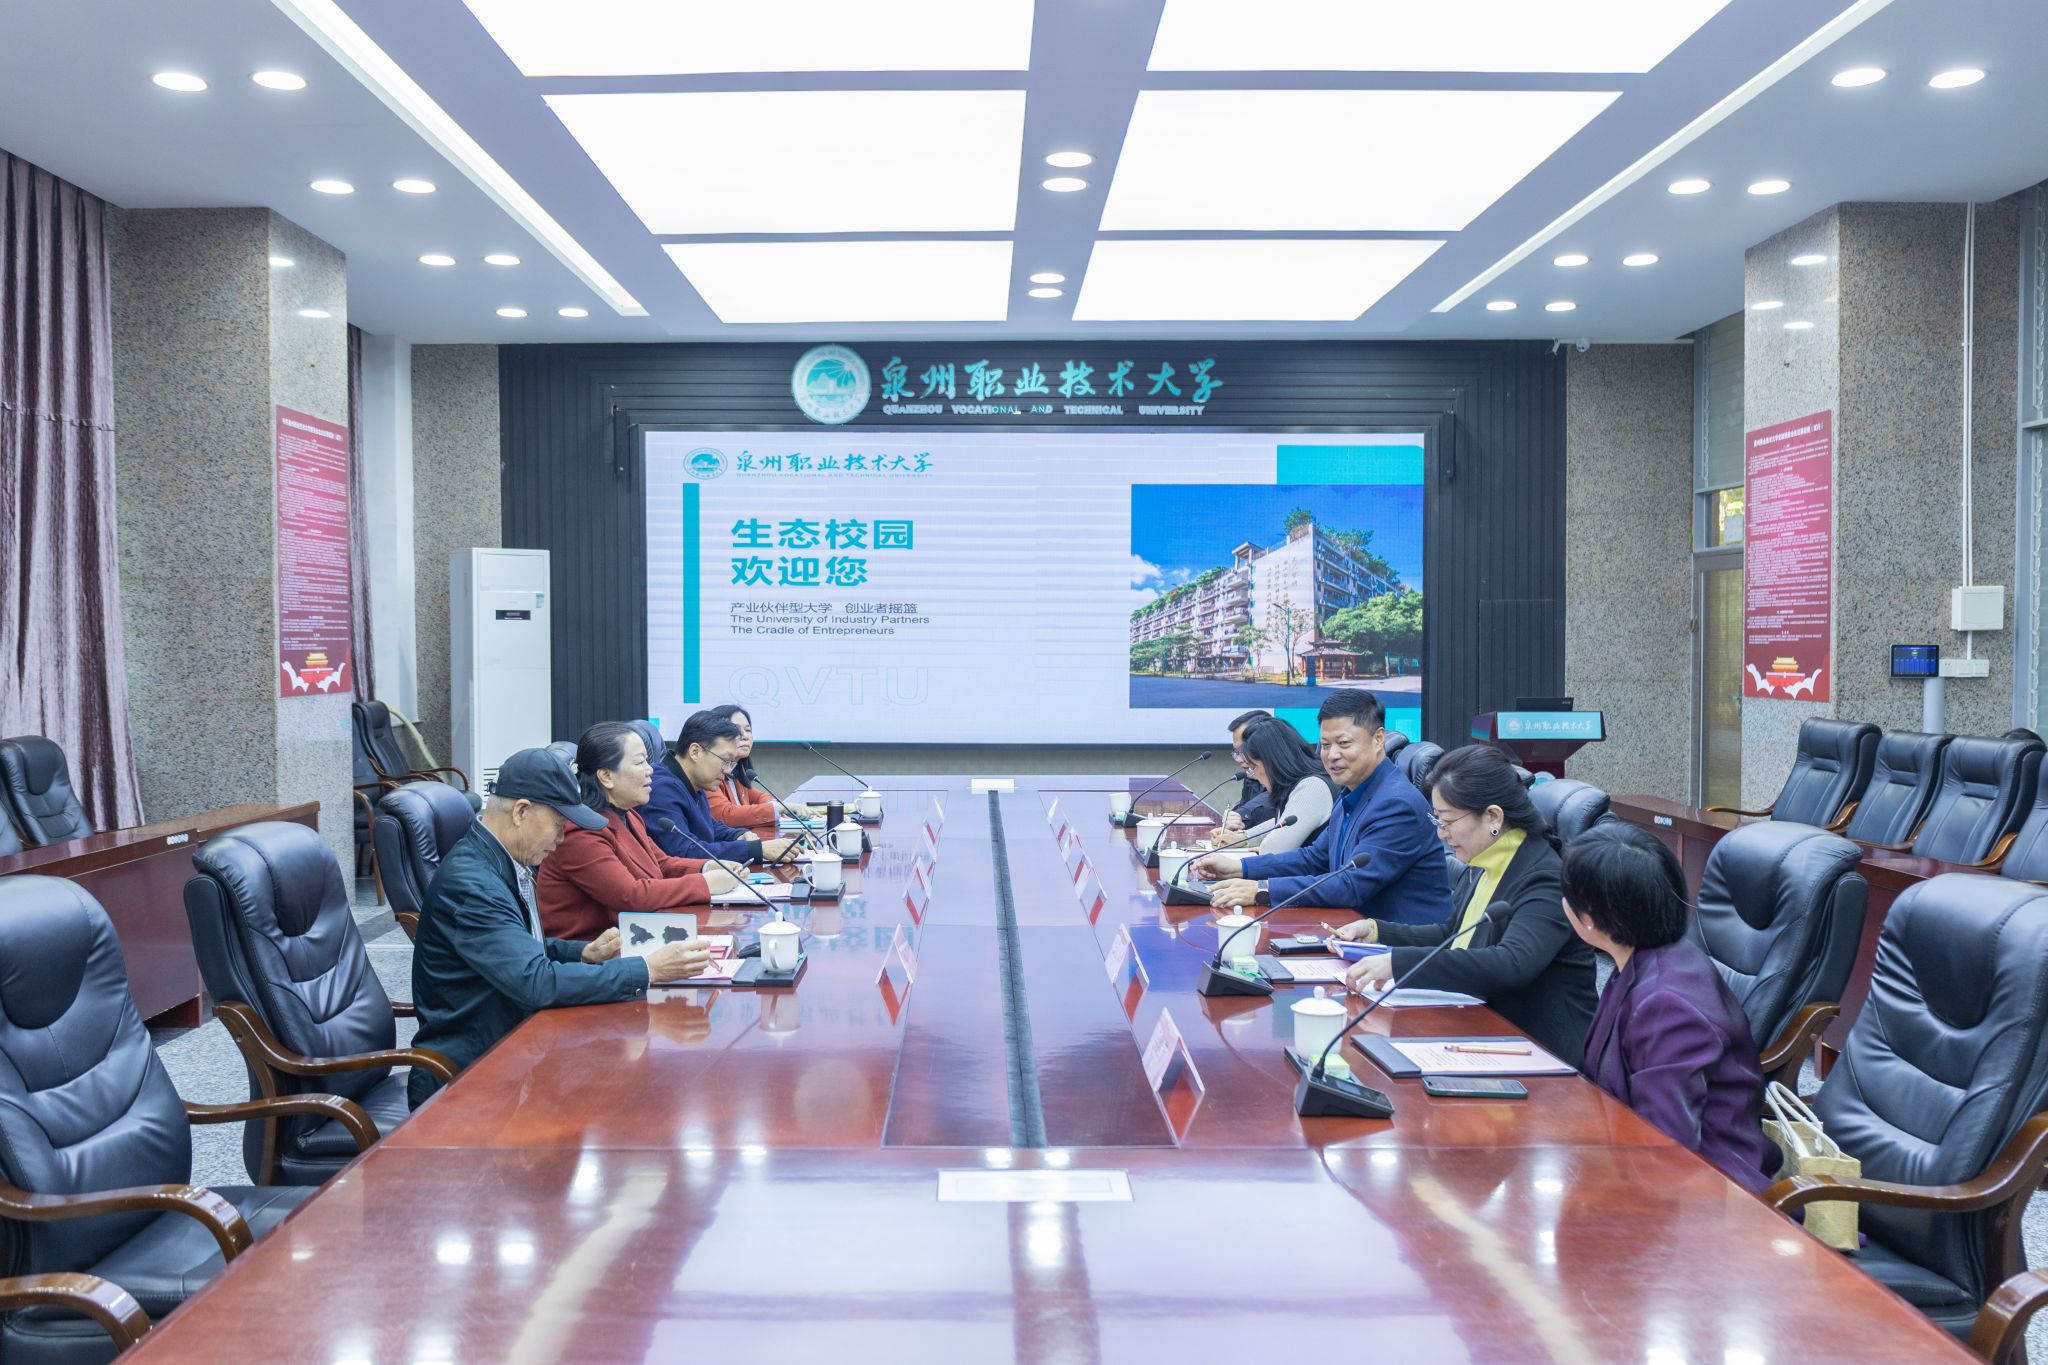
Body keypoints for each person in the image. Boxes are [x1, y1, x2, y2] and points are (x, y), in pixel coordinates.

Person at [407, 747, 714, 1107]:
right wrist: (648, 969)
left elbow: (517, 948)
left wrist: (583, 952)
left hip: (515, 1046)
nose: (562, 838)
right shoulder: (472, 884)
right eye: (558, 824)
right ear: (521, 812)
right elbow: (535, 982)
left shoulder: (500, 861)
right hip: (472, 1077)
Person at [1334, 743, 1596, 1065]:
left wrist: (1398, 964)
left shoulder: (1545, 877)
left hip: (1538, 1054)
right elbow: (1454, 934)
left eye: (1447, 821)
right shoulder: (1486, 860)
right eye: (1437, 821)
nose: (1441, 835)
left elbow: (1512, 963)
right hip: (1481, 1031)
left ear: (1493, 816)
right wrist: (1377, 931)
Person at [1560, 822, 1778, 1193]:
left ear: (1590, 917)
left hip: (1712, 1192)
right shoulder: (1639, 962)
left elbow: (1665, 1152)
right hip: (1630, 1163)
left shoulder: (1667, 1005)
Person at [1193, 691, 1449, 925]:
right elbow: (1315, 858)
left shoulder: (1396, 804)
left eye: (1344, 743)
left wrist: (1262, 890)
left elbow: (1352, 885)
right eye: (1325, 745)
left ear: (1378, 739)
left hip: (1400, 946)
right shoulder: (1353, 792)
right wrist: (1240, 868)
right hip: (1353, 929)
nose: (1332, 755)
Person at [537, 721, 746, 940]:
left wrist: (708, 866)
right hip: (593, 951)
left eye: (648, 761)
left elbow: (661, 864)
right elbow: (631, 896)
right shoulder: (580, 830)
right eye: (640, 763)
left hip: (637, 936)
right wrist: (705, 884)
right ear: (606, 776)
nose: (650, 770)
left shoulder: (628, 814)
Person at [642, 712, 801, 865]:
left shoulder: (692, 779)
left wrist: (738, 835)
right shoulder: (661, 789)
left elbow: (709, 826)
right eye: (725, 761)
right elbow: (685, 851)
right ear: (695, 752)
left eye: (731, 763)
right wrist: (754, 850)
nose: (728, 771)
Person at [1227, 717, 1335, 855]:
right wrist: (1243, 837)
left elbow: (1273, 850)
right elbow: (1281, 823)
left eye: (1253, 767)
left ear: (1273, 763)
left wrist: (1253, 849)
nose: (1253, 775)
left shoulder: (1312, 787)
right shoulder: (1296, 785)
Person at [702, 703, 815, 828]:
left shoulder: (735, 775)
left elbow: (760, 797)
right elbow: (726, 815)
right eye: (736, 730)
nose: (745, 736)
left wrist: (781, 807)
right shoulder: (709, 774)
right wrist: (779, 808)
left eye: (748, 730)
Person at [1221, 710, 1276, 833]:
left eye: (1243, 751)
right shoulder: (1251, 775)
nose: (1239, 759)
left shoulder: (1294, 776)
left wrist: (1241, 814)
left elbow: (1273, 799)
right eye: (1236, 752)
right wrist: (1233, 815)